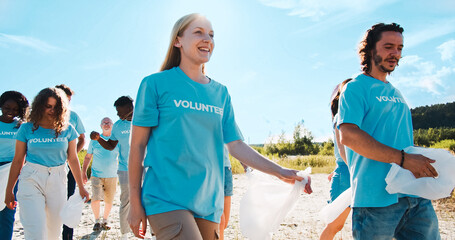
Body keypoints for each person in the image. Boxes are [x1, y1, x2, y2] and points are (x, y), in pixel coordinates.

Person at [128, 13, 312, 240]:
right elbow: (137, 147)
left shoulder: (220, 93)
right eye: (198, 32)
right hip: (165, 198)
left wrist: (280, 171)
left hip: (209, 202)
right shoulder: (154, 84)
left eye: (212, 35)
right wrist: (134, 203)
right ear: (178, 41)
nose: (207, 39)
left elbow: (235, 145)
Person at [338, 23, 440, 239]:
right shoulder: (355, 88)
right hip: (375, 199)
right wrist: (403, 159)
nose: (395, 53)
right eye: (388, 47)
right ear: (370, 49)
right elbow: (348, 135)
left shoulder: (396, 92)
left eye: (400, 48)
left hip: (414, 193)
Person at [4, 87, 90, 240]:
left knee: (53, 232)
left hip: (58, 179)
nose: (51, 110)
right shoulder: (26, 128)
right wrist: (9, 190)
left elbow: (73, 159)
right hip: (31, 178)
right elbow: (18, 160)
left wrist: (81, 187)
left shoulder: (68, 129)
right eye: (48, 106)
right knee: (34, 230)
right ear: (39, 105)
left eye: (55, 107)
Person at [90, 96, 133, 240]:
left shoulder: (144, 120)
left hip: (145, 167)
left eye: (119, 111)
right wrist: (98, 139)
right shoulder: (118, 126)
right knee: (125, 201)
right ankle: (125, 235)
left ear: (129, 108)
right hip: (125, 169)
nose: (117, 114)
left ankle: (153, 234)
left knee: (149, 200)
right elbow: (110, 145)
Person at [320, 79, 351, 240]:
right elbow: (342, 149)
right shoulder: (341, 116)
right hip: (347, 174)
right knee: (335, 225)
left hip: (353, 171)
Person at [55, 84, 86, 240]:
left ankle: (67, 236)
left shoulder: (73, 116)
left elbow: (82, 138)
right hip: (51, 168)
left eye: (69, 100)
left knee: (69, 201)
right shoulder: (45, 115)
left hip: (70, 168)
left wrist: (72, 154)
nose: (66, 102)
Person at [0, 91, 29, 240]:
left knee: (7, 210)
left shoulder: (20, 127)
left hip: (11, 171)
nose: (10, 112)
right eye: (7, 108)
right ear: (1, 106)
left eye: (15, 110)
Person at [82, 117, 119, 232]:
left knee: (109, 199)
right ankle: (97, 221)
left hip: (112, 175)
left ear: (112, 125)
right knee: (96, 197)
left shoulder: (116, 140)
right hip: (96, 174)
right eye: (104, 122)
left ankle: (105, 220)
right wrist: (83, 172)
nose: (106, 124)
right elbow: (88, 156)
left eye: (108, 122)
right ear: (101, 126)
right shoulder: (94, 140)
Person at [219, 148, 233, 240]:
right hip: (210, 168)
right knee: (219, 221)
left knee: (224, 223)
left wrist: (244, 164)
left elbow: (235, 144)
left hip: (226, 169)